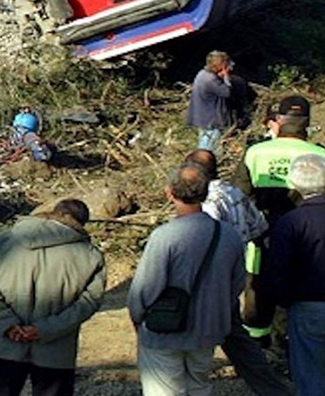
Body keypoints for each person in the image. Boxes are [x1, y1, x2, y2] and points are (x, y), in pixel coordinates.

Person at [128, 164, 245, 396]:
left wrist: (137, 317)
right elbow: (237, 282)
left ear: (169, 192)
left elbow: (145, 288)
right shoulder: (228, 234)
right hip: (208, 329)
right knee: (200, 388)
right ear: (206, 192)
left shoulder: (164, 236)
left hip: (165, 331)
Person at [0, 199, 106, 396]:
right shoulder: (91, 255)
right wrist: (45, 330)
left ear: (54, 212)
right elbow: (89, 302)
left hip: (4, 344)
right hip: (55, 351)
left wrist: (8, 324)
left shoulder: (3, 241)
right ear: (82, 223)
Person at [187, 151, 291, 396]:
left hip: (210, 282)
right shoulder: (234, 192)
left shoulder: (207, 202)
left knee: (196, 345)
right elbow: (259, 227)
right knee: (239, 342)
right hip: (233, 276)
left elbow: (202, 242)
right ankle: (275, 390)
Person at [234, 95, 325, 340]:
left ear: (278, 121)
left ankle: (257, 344)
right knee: (295, 290)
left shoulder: (255, 152)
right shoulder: (319, 154)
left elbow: (239, 196)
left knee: (258, 291)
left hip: (261, 238)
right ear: (306, 122)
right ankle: (286, 343)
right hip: (308, 239)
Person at [261, 154, 325, 395]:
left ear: (294, 185)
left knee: (310, 376)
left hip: (307, 305)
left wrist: (284, 301)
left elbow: (278, 269)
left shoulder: (290, 222)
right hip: (307, 302)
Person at [187, 51, 233, 152]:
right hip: (211, 121)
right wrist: (226, 77)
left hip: (202, 118)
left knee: (205, 145)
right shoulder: (211, 80)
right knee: (209, 150)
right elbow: (227, 92)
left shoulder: (202, 74)